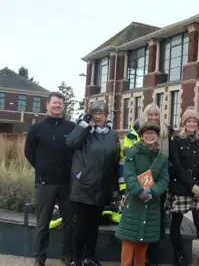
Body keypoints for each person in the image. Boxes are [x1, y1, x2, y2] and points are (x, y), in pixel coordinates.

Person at [24, 92, 76, 266]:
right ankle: (39, 257)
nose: (57, 106)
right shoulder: (36, 128)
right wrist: (42, 169)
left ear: (63, 106)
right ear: (47, 105)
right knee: (42, 222)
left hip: (67, 183)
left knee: (69, 222)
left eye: (60, 103)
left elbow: (77, 151)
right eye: (54, 103)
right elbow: (29, 152)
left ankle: (66, 254)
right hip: (45, 183)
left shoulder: (71, 127)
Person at [66, 101, 120, 266]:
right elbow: (71, 143)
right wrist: (84, 125)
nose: (98, 117)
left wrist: (113, 187)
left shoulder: (112, 135)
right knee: (79, 227)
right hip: (83, 186)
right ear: (90, 114)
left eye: (101, 113)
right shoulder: (84, 130)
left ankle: (90, 257)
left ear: (107, 115)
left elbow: (115, 160)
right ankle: (76, 258)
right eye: (95, 113)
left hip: (101, 188)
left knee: (93, 227)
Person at [115, 122, 170, 266]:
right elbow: (129, 175)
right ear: (141, 136)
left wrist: (152, 192)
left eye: (153, 133)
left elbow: (164, 180)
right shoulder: (132, 152)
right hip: (134, 201)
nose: (150, 135)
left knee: (143, 241)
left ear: (157, 136)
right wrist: (139, 191)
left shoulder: (162, 158)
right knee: (128, 239)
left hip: (151, 202)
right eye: (147, 133)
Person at [167, 107, 199, 266]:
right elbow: (177, 166)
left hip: (198, 189)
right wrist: (191, 184)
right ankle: (178, 253)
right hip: (181, 187)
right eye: (189, 121)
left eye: (194, 121)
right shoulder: (177, 140)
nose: (192, 124)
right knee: (176, 222)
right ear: (184, 123)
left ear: (198, 124)